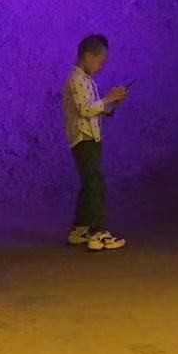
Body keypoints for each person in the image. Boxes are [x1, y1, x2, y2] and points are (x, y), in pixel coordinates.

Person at [63, 34, 129, 250]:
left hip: (89, 138)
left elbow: (95, 110)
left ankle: (80, 228)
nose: (101, 68)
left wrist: (113, 103)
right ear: (88, 57)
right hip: (84, 139)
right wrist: (108, 98)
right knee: (95, 184)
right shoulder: (76, 79)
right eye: (100, 62)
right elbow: (85, 110)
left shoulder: (85, 80)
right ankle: (98, 233)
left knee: (89, 183)